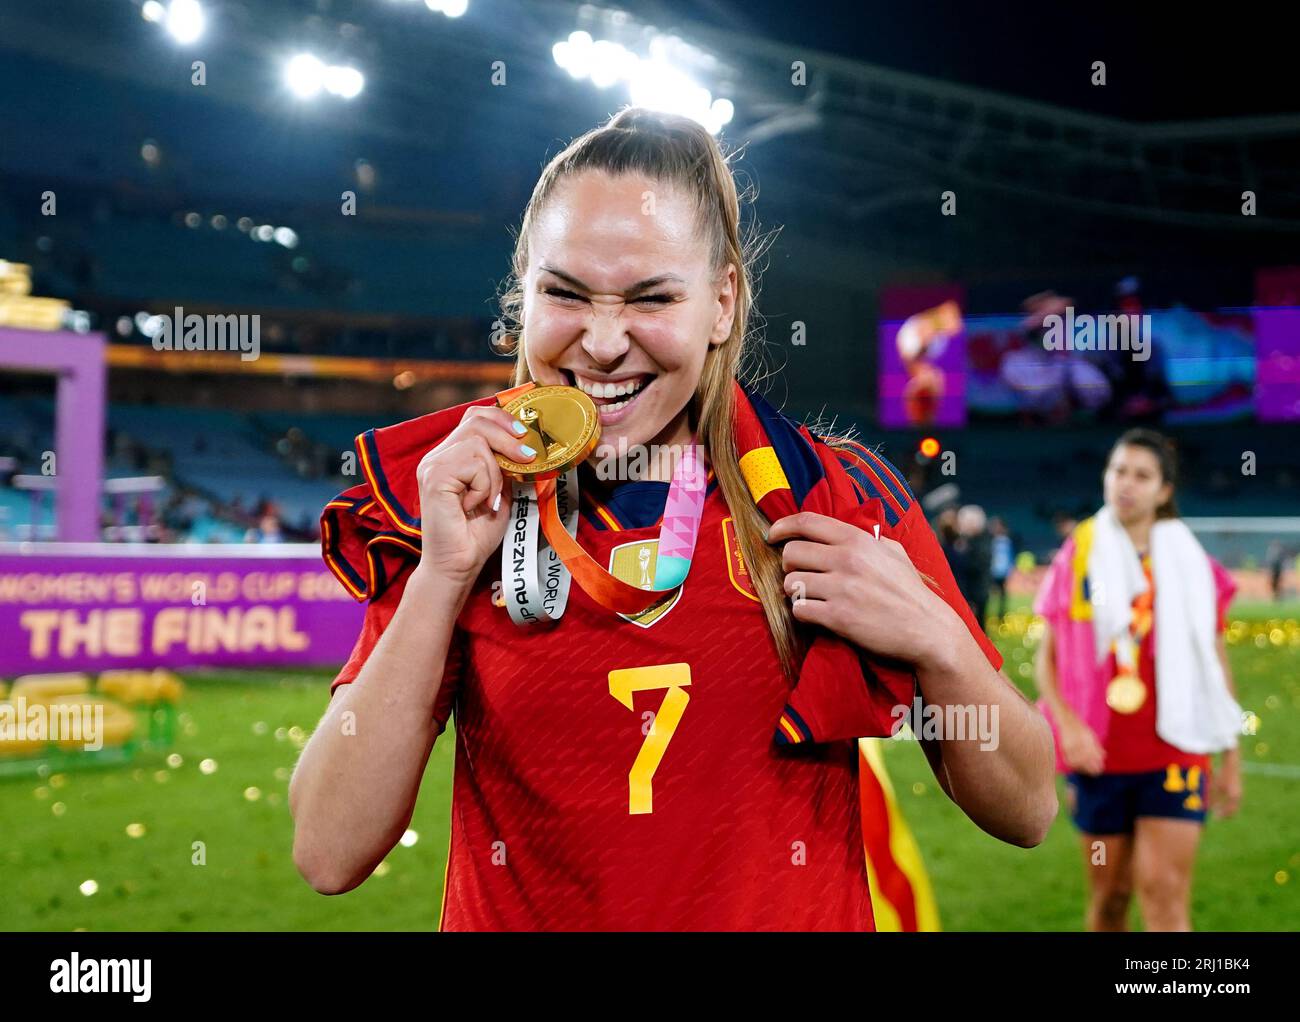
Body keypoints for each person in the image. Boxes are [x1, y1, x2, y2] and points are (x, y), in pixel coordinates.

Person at [290, 107, 1056, 931]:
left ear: (722, 302)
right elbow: (330, 849)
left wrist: (940, 644)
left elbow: (1026, 808)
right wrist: (440, 579)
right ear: (524, 291)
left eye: (652, 297)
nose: (605, 341)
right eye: (565, 293)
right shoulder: (460, 495)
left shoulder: (834, 498)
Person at [1033, 428, 1243, 932]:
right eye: (1118, 471)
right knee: (1110, 897)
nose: (1126, 484)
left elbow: (1215, 664)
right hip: (1100, 752)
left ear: (1164, 491)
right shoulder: (1077, 555)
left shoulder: (1195, 564)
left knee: (1164, 892)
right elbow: (1047, 661)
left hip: (1177, 747)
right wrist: (1069, 728)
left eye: (1142, 475)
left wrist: (1230, 754)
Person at [989, 516, 1014, 621]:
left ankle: (1001, 614)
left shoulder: (1005, 541)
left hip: (1001, 571)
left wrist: (1009, 568)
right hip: (993, 571)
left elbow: (1009, 556)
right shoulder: (992, 541)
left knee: (1002, 595)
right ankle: (994, 614)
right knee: (992, 595)